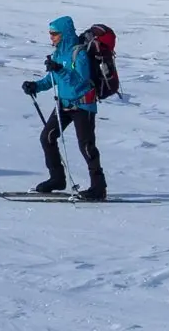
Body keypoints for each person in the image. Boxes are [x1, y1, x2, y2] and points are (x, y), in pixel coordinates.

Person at [23, 15, 106, 200]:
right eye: (50, 34)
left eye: (54, 34)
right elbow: (52, 79)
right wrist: (35, 86)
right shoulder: (58, 53)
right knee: (47, 137)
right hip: (64, 103)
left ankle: (99, 187)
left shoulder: (80, 53)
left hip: (83, 104)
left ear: (65, 34)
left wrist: (59, 69)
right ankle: (57, 179)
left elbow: (81, 82)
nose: (51, 37)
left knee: (86, 146)